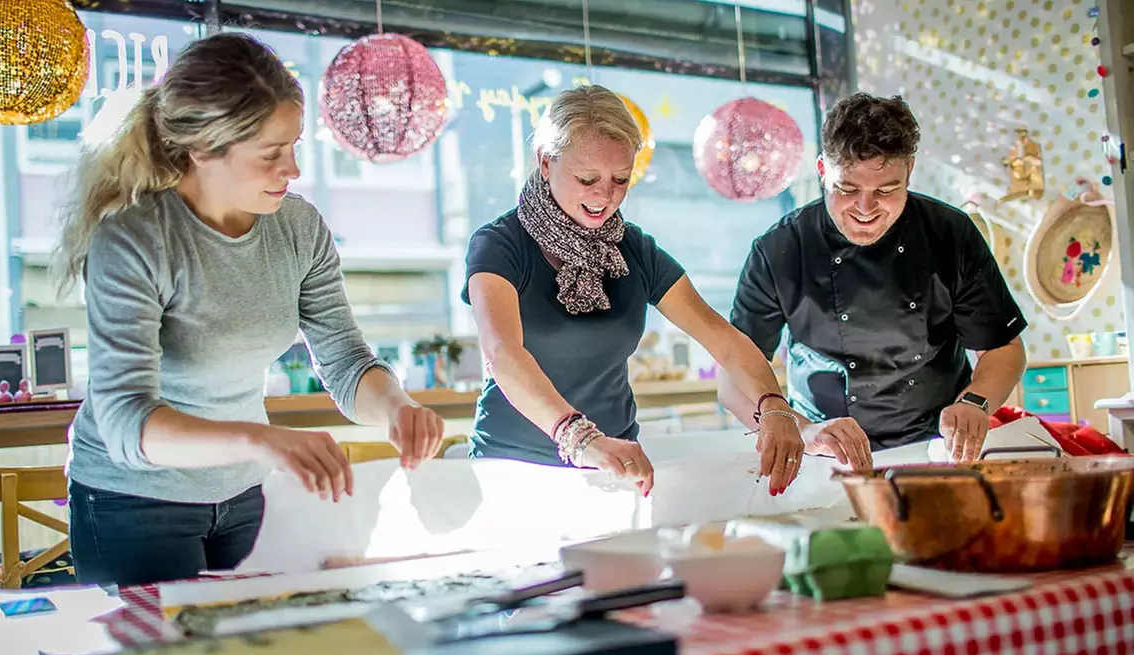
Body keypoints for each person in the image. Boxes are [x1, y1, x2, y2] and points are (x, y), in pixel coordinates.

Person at [51, 33, 445, 587]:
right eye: (271, 154)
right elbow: (125, 422)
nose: (293, 169)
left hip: (245, 493)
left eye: (294, 146)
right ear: (203, 150)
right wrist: (261, 438)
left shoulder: (298, 227)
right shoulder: (137, 240)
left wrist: (397, 407)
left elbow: (345, 359)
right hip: (133, 500)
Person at [462, 85, 804, 496]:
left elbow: (724, 341)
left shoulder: (635, 250)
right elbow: (503, 355)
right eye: (587, 178)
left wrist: (774, 406)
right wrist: (580, 438)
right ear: (546, 162)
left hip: (615, 468)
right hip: (513, 470)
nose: (604, 196)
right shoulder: (499, 244)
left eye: (620, 179)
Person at [722, 93, 1027, 467]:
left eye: (886, 190)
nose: (866, 209)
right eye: (847, 189)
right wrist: (799, 430)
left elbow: (1003, 347)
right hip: (823, 452)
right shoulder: (779, 250)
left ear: (909, 172)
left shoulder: (951, 234)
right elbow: (733, 377)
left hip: (938, 449)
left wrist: (974, 402)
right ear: (822, 170)